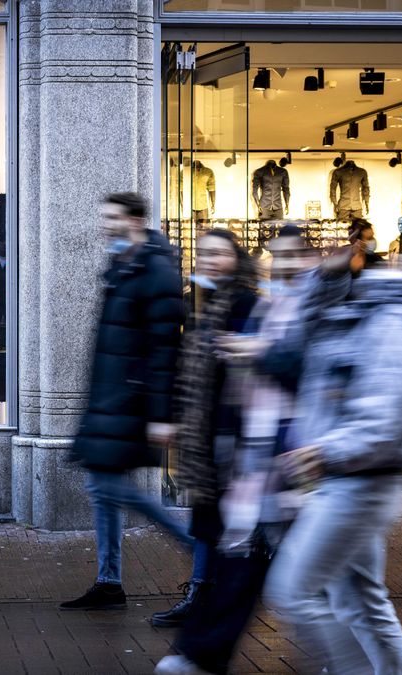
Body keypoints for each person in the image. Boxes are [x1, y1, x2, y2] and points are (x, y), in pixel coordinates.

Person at [263, 254, 402, 674]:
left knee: (292, 591)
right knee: (360, 601)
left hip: (357, 483)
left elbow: (386, 420)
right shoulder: (375, 310)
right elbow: (310, 335)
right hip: (352, 481)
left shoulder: (398, 323)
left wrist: (324, 450)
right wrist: (325, 277)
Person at [156, 225, 321, 675]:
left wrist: (255, 354)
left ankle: (348, 659)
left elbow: (304, 370)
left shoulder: (292, 306)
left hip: (300, 458)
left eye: (294, 255)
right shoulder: (258, 305)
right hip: (260, 454)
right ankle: (202, 651)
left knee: (314, 581)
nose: (283, 262)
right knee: (243, 563)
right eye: (277, 254)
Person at [59, 192, 191, 611]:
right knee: (103, 489)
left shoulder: (155, 270)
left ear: (133, 220)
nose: (104, 224)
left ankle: (200, 549)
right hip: (111, 395)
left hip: (131, 399)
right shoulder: (124, 264)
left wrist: (161, 414)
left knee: (107, 485)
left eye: (111, 217)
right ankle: (108, 580)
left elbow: (165, 349)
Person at [153, 228, 259, 628]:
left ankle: (215, 599)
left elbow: (248, 375)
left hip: (232, 436)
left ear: (236, 258)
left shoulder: (246, 303)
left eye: (219, 253)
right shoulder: (201, 303)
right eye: (204, 254)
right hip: (206, 435)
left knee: (224, 524)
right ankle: (202, 594)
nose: (209, 260)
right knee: (207, 519)